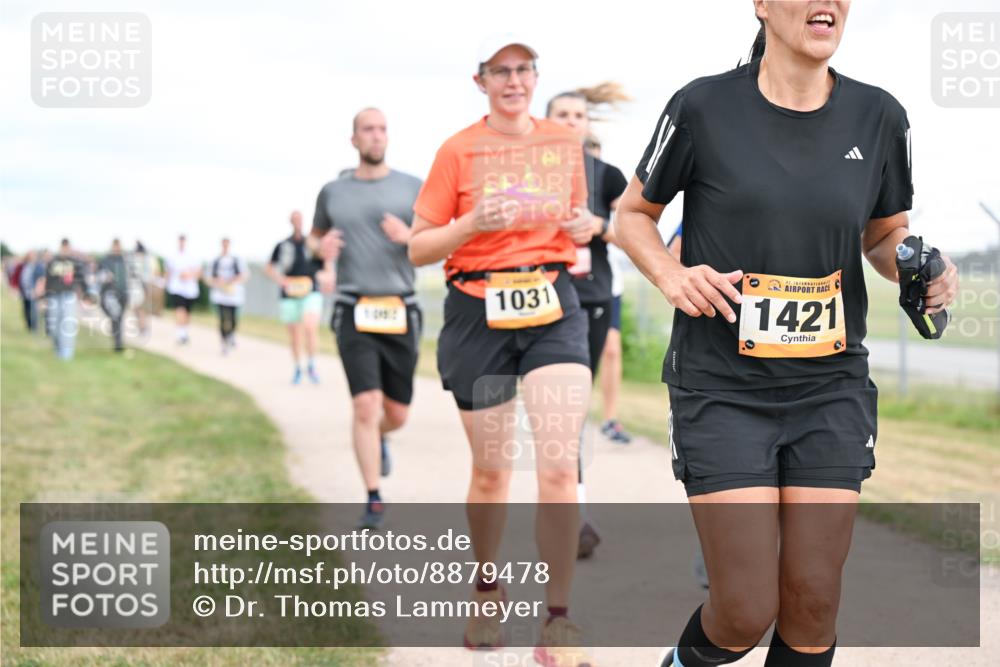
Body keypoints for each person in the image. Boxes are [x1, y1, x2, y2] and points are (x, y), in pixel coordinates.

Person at [615, 3, 960, 666]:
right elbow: (633, 214)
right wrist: (669, 273)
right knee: (744, 609)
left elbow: (885, 233)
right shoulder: (702, 107)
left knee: (812, 603)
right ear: (763, 5)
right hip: (721, 385)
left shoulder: (880, 115)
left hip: (830, 387)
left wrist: (924, 266)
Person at [408, 35, 596, 666]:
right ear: (480, 81)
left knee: (558, 468)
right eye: (501, 71)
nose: (514, 80)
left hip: (551, 307)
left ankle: (559, 619)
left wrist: (585, 226)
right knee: (492, 472)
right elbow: (419, 247)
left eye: (524, 70)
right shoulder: (457, 150)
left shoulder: (564, 143)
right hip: (477, 312)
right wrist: (469, 226)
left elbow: (580, 217)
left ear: (535, 78)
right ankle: (487, 588)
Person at [312, 108, 424, 529]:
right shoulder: (333, 192)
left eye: (382, 129)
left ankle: (381, 436)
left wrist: (409, 236)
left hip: (402, 308)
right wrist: (320, 251)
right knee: (365, 404)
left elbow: (437, 241)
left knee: (395, 414)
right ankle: (373, 498)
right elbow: (315, 236)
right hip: (352, 307)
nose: (376, 136)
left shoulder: (413, 187)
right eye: (368, 130)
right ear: (354, 140)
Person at [546, 83, 631, 560]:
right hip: (538, 301)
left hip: (590, 300)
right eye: (561, 114)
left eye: (578, 115)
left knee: (571, 408)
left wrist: (600, 228)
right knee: (558, 411)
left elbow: (636, 232)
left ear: (587, 124)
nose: (571, 121)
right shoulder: (527, 171)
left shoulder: (607, 176)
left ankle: (572, 511)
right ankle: (569, 510)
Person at [266, 211, 323, 384]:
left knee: (310, 327)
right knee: (295, 335)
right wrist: (281, 280)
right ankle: (298, 367)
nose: (298, 222)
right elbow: (269, 267)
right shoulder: (282, 245)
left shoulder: (312, 245)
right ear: (291, 222)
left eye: (300, 219)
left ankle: (312, 364)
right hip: (289, 293)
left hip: (310, 291)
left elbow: (325, 262)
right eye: (295, 219)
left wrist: (328, 276)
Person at [36, 239, 88, 360]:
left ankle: (66, 355)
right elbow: (47, 281)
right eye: (63, 248)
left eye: (67, 248)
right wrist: (43, 298)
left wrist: (86, 296)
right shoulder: (53, 262)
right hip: (54, 296)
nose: (65, 250)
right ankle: (58, 349)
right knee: (54, 326)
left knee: (67, 325)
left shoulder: (74, 262)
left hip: (68, 296)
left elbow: (81, 280)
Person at [208, 237, 249, 354]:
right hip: (220, 294)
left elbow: (244, 275)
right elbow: (209, 277)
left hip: (234, 294)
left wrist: (233, 280)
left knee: (233, 318)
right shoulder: (216, 261)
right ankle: (224, 342)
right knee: (222, 318)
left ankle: (231, 334)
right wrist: (218, 281)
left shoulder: (237, 260)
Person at [164, 235, 201, 345]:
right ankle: (180, 335)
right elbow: (168, 272)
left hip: (190, 289)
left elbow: (199, 272)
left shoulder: (193, 256)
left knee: (187, 313)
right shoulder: (172, 256)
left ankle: (184, 332)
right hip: (176, 288)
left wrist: (189, 275)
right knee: (180, 310)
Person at [97, 239, 130, 352]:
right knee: (115, 316)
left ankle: (118, 342)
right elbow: (100, 275)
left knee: (119, 318)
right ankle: (118, 343)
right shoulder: (106, 260)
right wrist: (106, 277)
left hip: (123, 293)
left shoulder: (125, 260)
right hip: (110, 293)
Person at [17, 250, 45, 332]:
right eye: (30, 256)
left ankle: (34, 328)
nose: (31, 257)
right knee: (27, 309)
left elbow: (41, 279)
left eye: (33, 256)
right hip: (25, 291)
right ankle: (29, 326)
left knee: (35, 311)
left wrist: (37, 290)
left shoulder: (38, 266)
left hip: (34, 291)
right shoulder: (25, 265)